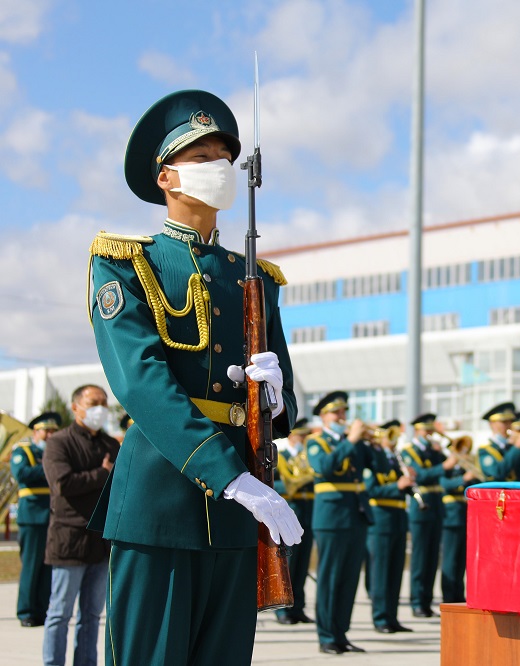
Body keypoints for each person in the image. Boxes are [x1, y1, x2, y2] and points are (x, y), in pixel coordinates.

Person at [88, 89, 302, 666]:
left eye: (224, 159)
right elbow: (139, 382)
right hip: (163, 497)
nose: (219, 170)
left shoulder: (255, 277)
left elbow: (279, 410)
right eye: (202, 157)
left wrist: (277, 397)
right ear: (166, 177)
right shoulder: (128, 262)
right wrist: (229, 477)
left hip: (240, 506)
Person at [41, 385, 119, 666]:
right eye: (93, 403)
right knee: (60, 612)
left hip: (100, 542)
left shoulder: (111, 445)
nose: (100, 409)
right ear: (75, 407)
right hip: (69, 539)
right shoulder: (59, 442)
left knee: (91, 614)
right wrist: (101, 473)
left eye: (103, 403)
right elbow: (62, 484)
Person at [306, 391, 373, 654]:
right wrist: (352, 440)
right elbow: (325, 467)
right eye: (337, 413)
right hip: (332, 518)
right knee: (330, 578)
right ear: (324, 416)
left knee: (349, 579)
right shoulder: (316, 442)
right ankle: (326, 636)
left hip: (356, 516)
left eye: (344, 412)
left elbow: (376, 467)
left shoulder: (352, 442)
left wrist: (375, 444)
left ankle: (341, 633)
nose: (343, 417)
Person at [399, 413, 456, 618]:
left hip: (437, 506)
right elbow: (419, 475)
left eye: (431, 430)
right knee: (421, 556)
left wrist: (446, 456)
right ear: (417, 430)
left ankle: (427, 601)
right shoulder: (409, 451)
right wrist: (443, 465)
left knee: (432, 558)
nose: (430, 434)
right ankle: (417, 600)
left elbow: (447, 474)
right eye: (426, 430)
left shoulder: (433, 451)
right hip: (420, 507)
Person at [364, 419, 414, 633]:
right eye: (389, 436)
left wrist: (410, 480)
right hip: (381, 519)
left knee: (395, 571)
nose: (393, 441)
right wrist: (397, 485)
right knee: (381, 572)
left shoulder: (395, 458)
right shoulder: (374, 458)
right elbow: (371, 489)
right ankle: (381, 617)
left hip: (398, 518)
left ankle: (392, 617)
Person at [12, 412, 60, 627]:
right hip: (32, 515)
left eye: (53, 431)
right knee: (31, 566)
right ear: (36, 431)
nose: (50, 435)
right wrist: (49, 467)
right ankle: (26, 611)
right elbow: (22, 474)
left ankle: (42, 609)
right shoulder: (24, 450)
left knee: (47, 566)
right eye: (46, 431)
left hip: (51, 514)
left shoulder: (54, 451)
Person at [274, 418, 316, 625]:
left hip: (308, 511)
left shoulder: (308, 458)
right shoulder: (279, 458)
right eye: (301, 436)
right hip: (289, 511)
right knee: (287, 564)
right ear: (291, 436)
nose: (303, 440)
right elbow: (272, 485)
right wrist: (288, 489)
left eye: (305, 437)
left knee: (302, 563)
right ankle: (282, 609)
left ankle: (298, 607)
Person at [439, 433, 482, 603]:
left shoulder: (465, 466)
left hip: (465, 514)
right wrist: (463, 478)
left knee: (461, 559)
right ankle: (449, 596)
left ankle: (458, 593)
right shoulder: (445, 466)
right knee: (450, 559)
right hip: (450, 514)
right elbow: (444, 484)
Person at [478, 402, 520, 483]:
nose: (508, 425)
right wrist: (517, 446)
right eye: (503, 422)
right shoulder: (485, 450)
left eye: (510, 422)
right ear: (492, 424)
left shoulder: (516, 449)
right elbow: (498, 473)